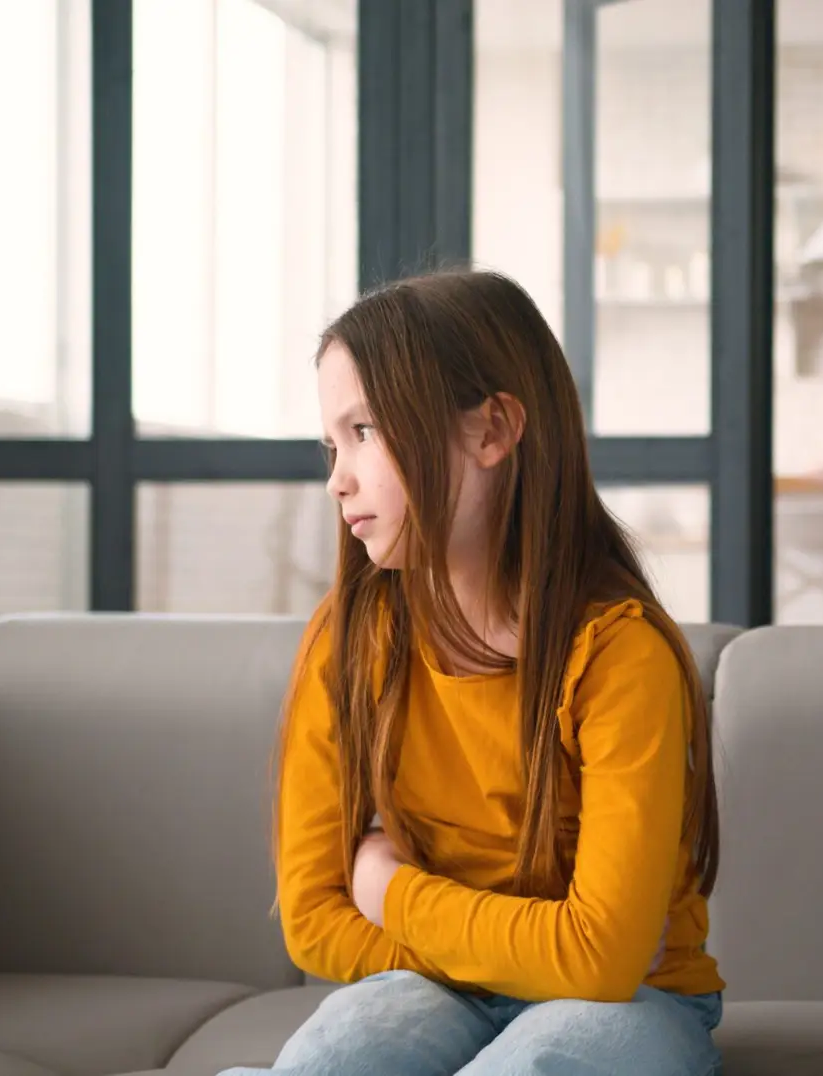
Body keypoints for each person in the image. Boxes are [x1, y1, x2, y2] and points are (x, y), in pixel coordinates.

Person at [223, 270, 724, 1076]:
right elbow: (313, 918)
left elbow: (601, 963)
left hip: (635, 1000)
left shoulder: (620, 657)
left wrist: (390, 891)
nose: (336, 478)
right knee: (332, 1058)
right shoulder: (347, 639)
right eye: (331, 442)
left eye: (366, 432)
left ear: (491, 431)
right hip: (432, 986)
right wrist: (534, 949)